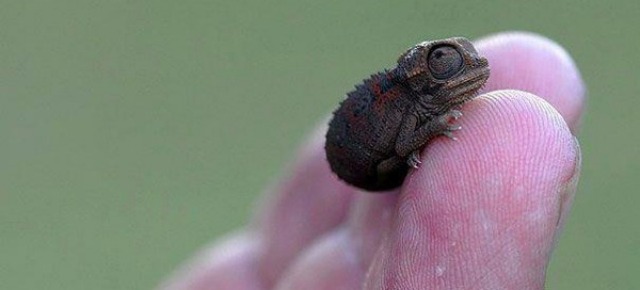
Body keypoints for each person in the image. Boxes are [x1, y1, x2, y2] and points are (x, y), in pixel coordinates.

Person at [159, 31, 585, 290]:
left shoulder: (416, 99)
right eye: (445, 63)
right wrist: (433, 130)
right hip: (357, 159)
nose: (471, 70)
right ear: (422, 74)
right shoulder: (406, 102)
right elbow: (402, 147)